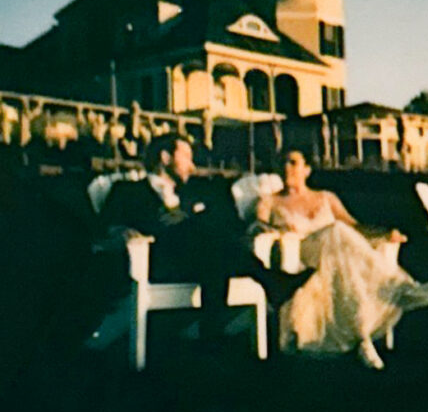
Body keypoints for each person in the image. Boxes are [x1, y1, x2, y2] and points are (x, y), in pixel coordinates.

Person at [100, 133, 309, 342]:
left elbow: (228, 223)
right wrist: (120, 231)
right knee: (208, 237)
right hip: (158, 262)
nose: (192, 166)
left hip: (199, 260)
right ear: (165, 158)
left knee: (211, 242)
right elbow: (104, 228)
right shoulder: (128, 190)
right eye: (187, 158)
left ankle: (214, 331)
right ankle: (268, 281)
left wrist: (188, 218)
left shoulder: (194, 193)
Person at [255, 149, 428, 370]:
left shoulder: (325, 197)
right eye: (284, 162)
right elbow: (257, 226)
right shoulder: (271, 201)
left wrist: (384, 235)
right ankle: (402, 288)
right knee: (335, 230)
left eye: (293, 163)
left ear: (307, 170)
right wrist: (280, 228)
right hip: (302, 252)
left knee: (344, 251)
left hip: (337, 254)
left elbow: (354, 227)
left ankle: (364, 340)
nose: (287, 168)